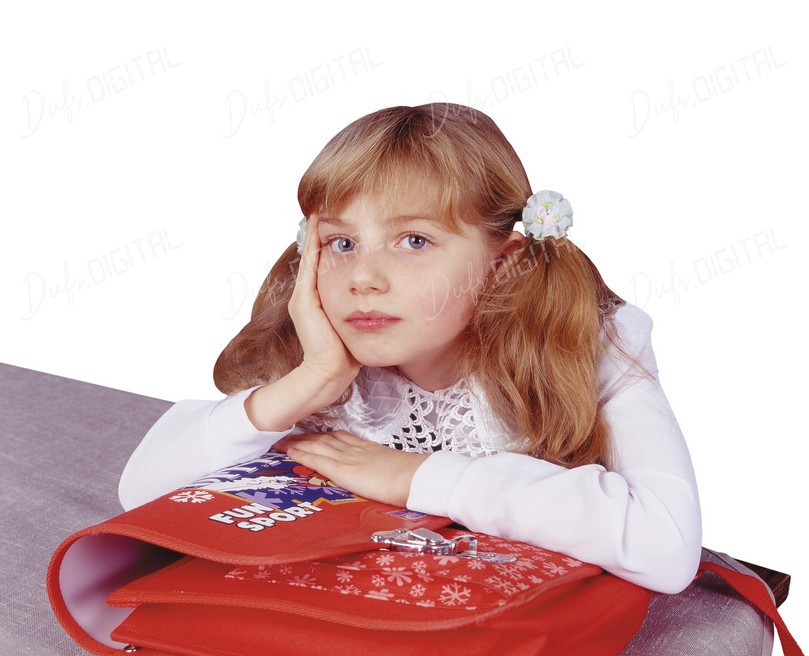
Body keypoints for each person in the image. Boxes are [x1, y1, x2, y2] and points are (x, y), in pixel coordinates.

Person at [118, 103, 701, 594]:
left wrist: (417, 475)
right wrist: (311, 379)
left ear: (504, 262)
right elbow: (140, 491)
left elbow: (668, 546)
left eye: (413, 240)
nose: (362, 277)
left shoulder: (595, 344)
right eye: (341, 242)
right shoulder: (330, 356)